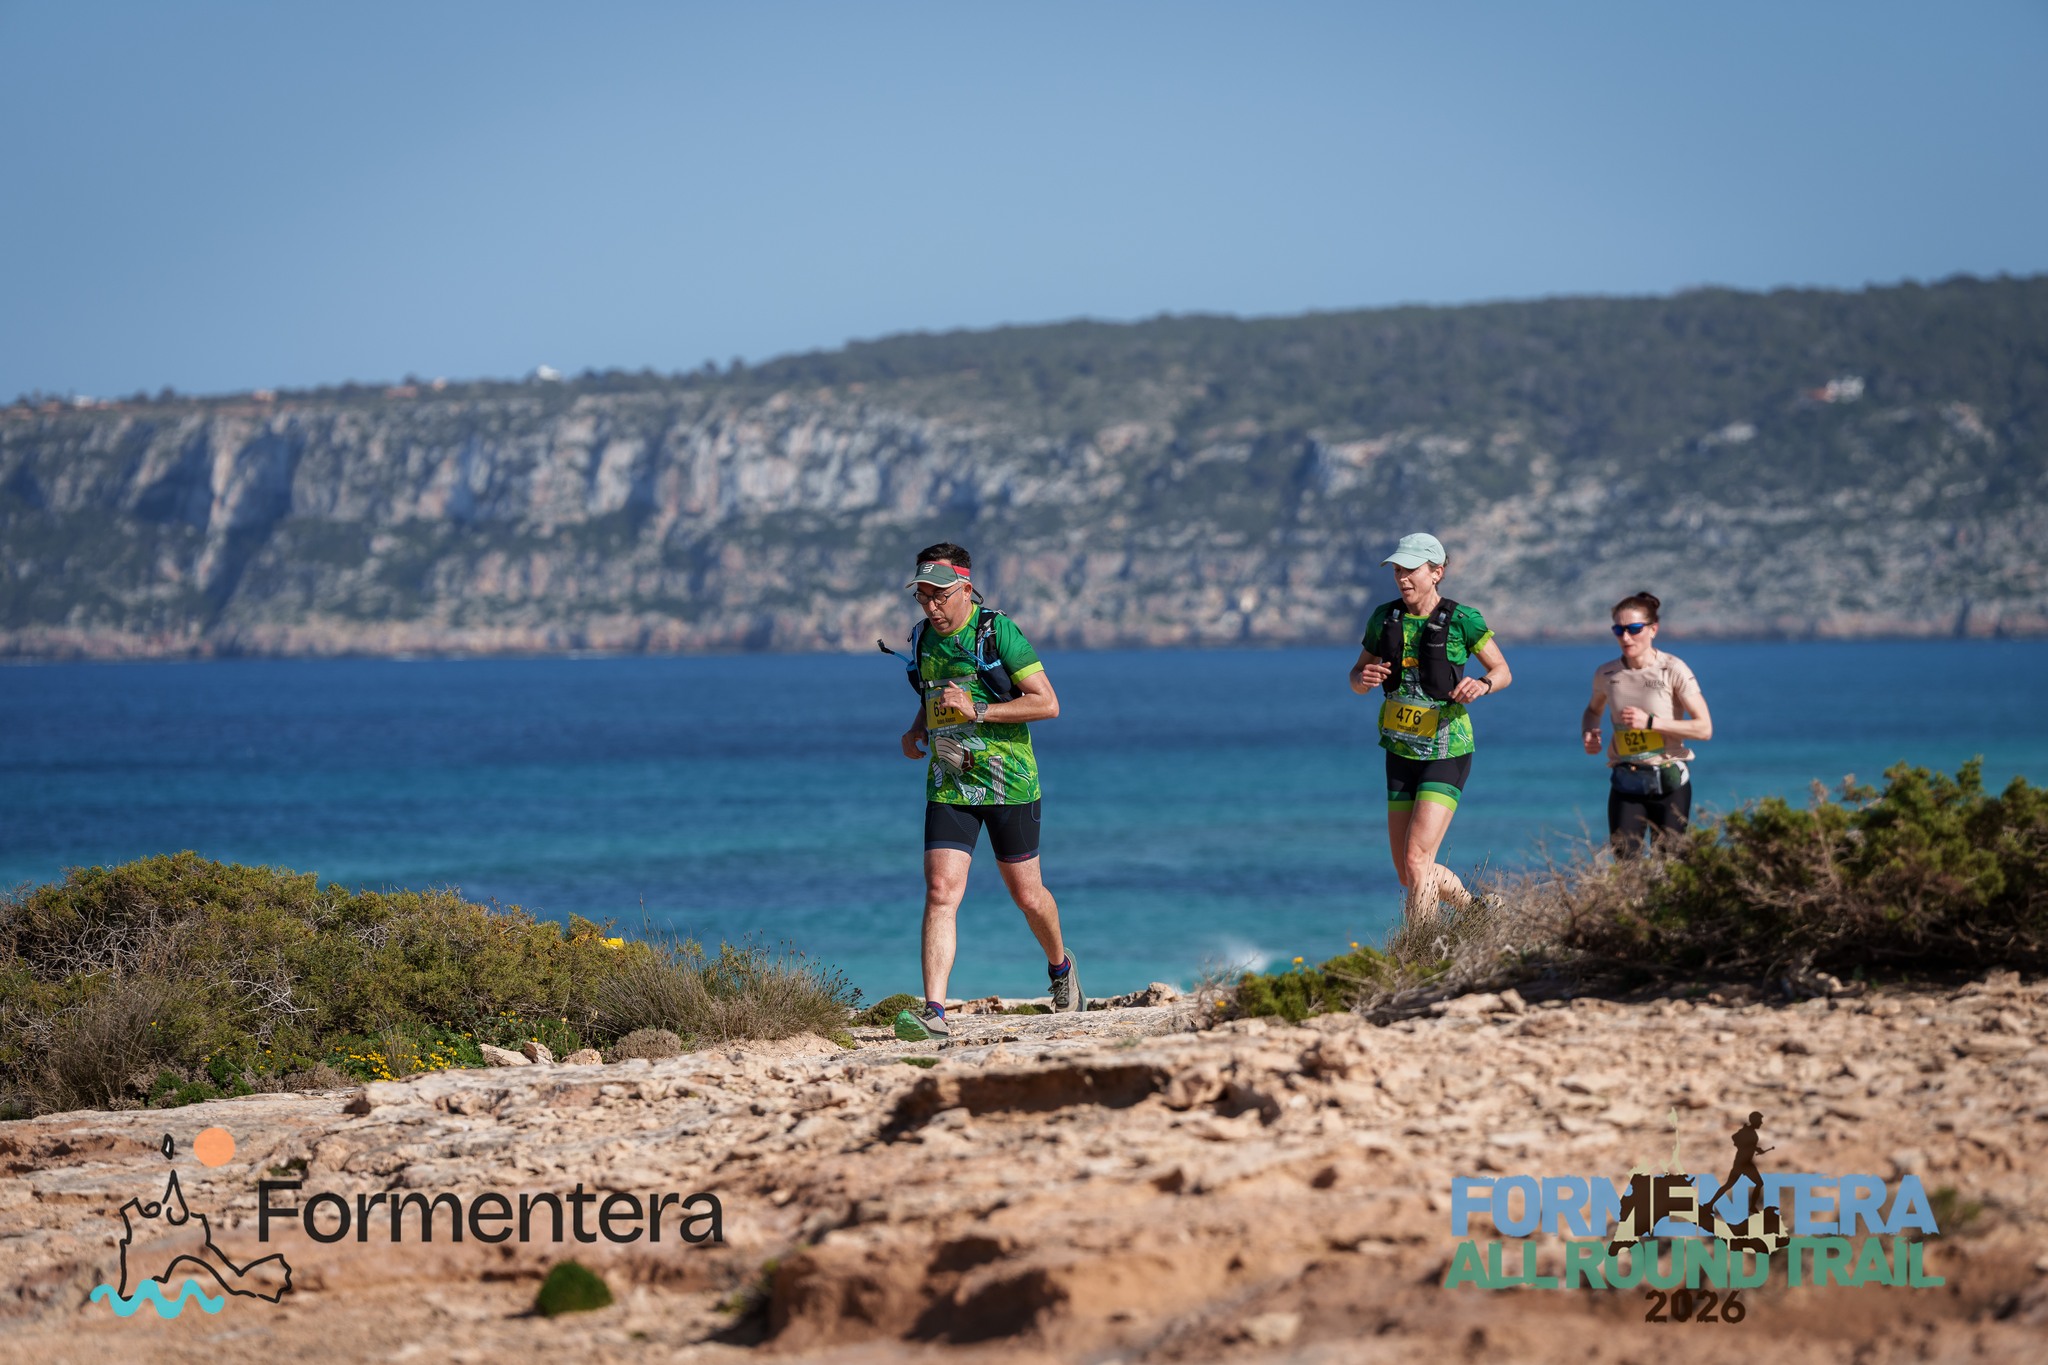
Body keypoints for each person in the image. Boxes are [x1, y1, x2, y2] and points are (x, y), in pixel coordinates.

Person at [891, 542, 1080, 1046]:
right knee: (940, 891)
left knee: (1028, 896)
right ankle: (934, 1012)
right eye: (923, 597)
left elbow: (1047, 704)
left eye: (940, 596)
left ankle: (1061, 969)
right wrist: (917, 729)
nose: (932, 607)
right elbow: (935, 695)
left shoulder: (998, 632)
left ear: (966, 589)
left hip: (1009, 782)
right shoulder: (922, 639)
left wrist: (979, 711)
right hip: (950, 782)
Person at [1347, 533, 1511, 922]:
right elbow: (1356, 676)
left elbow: (1502, 670)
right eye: (1397, 570)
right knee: (1408, 872)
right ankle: (1478, 912)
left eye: (1411, 570)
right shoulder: (1384, 618)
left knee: (1417, 858)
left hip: (1447, 750)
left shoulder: (1463, 620)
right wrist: (1363, 679)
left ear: (1436, 572)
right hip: (1399, 752)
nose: (1402, 578)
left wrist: (1482, 684)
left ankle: (1419, 949)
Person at [1581, 591, 1713, 857]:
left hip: (1669, 782)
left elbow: (1704, 729)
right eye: (1618, 630)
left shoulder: (1673, 669)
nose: (1626, 637)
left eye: (1634, 629)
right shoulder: (1607, 673)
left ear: (1653, 629)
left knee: (1669, 864)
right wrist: (1589, 733)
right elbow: (1593, 711)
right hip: (1626, 783)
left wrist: (1651, 723)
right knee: (1626, 869)